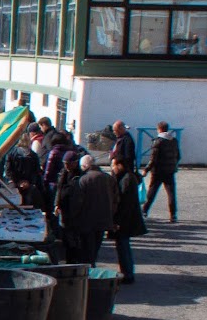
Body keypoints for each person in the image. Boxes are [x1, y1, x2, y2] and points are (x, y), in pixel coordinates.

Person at [62, 152, 117, 264]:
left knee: (86, 250)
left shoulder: (83, 180)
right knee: (95, 248)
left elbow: (77, 203)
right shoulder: (109, 178)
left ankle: (88, 269)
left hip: (86, 221)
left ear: (84, 166)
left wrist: (73, 218)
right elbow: (116, 200)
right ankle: (92, 265)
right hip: (104, 220)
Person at [109, 155, 146, 283]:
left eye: (113, 165)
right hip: (126, 219)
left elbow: (124, 203)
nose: (112, 168)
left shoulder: (127, 179)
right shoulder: (126, 177)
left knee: (123, 246)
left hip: (125, 220)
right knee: (123, 246)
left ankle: (128, 274)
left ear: (120, 165)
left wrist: (117, 221)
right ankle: (127, 272)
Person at [142, 121, 180, 223]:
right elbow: (178, 156)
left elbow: (153, 159)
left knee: (152, 192)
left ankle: (144, 211)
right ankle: (173, 215)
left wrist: (146, 169)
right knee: (171, 193)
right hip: (170, 170)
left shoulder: (158, 141)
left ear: (159, 129)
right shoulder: (174, 140)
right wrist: (173, 165)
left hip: (158, 171)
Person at [4, 139, 43, 207]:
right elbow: (36, 171)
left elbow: (8, 170)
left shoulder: (11, 153)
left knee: (14, 203)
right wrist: (29, 182)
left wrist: (16, 181)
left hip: (16, 184)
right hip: (27, 183)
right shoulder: (33, 155)